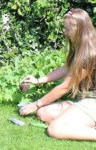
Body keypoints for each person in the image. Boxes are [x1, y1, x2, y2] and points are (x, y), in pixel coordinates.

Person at [19, 8, 96, 141]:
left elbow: (65, 87)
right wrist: (39, 80)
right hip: (86, 100)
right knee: (44, 113)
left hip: (93, 102)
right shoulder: (81, 45)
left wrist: (37, 103)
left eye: (67, 29)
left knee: (55, 129)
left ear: (78, 29)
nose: (63, 32)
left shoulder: (89, 53)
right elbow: (67, 68)